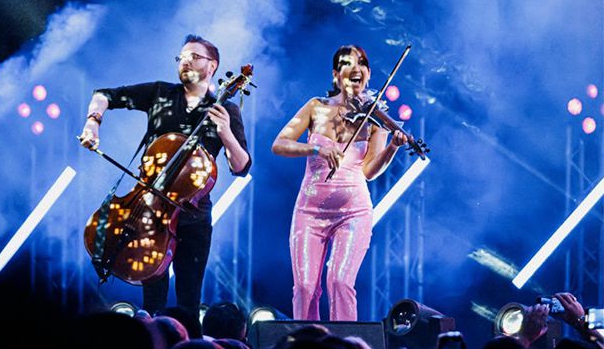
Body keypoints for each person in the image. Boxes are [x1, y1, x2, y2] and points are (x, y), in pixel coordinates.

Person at [79, 34, 251, 318]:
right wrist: (92, 123)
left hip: (193, 218)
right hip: (146, 212)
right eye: (181, 57)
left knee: (189, 303)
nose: (185, 62)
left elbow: (241, 167)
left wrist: (226, 133)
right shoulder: (160, 93)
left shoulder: (226, 110)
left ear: (213, 65)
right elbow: (103, 95)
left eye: (194, 57)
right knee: (152, 304)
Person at [271, 44, 407, 321]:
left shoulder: (376, 118)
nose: (356, 68)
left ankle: (345, 343)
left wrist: (392, 148)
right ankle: (306, 342)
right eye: (347, 63)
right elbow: (280, 144)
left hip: (353, 211)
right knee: (305, 288)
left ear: (368, 74)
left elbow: (369, 171)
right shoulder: (316, 107)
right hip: (309, 210)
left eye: (362, 63)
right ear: (335, 75)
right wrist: (316, 149)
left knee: (340, 282)